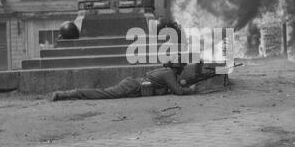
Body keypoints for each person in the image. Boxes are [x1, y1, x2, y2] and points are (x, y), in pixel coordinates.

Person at [51, 62, 196, 101]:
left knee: (104, 92)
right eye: (181, 68)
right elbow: (179, 92)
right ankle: (65, 94)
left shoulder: (165, 72)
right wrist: (192, 89)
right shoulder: (169, 74)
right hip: (132, 86)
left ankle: (67, 94)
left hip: (133, 84)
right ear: (177, 68)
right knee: (103, 94)